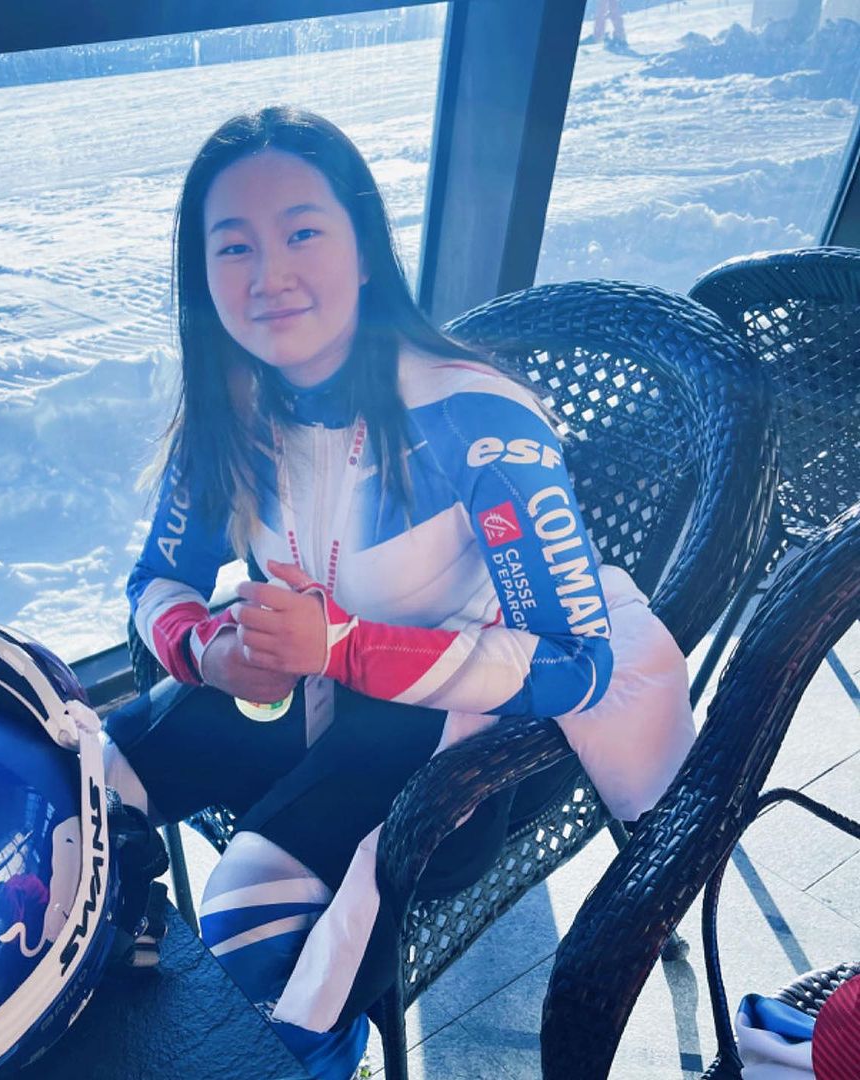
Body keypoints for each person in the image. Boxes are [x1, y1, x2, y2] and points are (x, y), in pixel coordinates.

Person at [103, 105, 693, 1080]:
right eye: (234, 246)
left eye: (302, 232)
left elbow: (579, 665)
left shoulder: (474, 418)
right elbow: (157, 581)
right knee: (74, 797)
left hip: (454, 737)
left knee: (248, 927)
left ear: (366, 250)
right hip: (304, 698)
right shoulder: (231, 408)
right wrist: (207, 650)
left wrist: (338, 645)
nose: (268, 273)